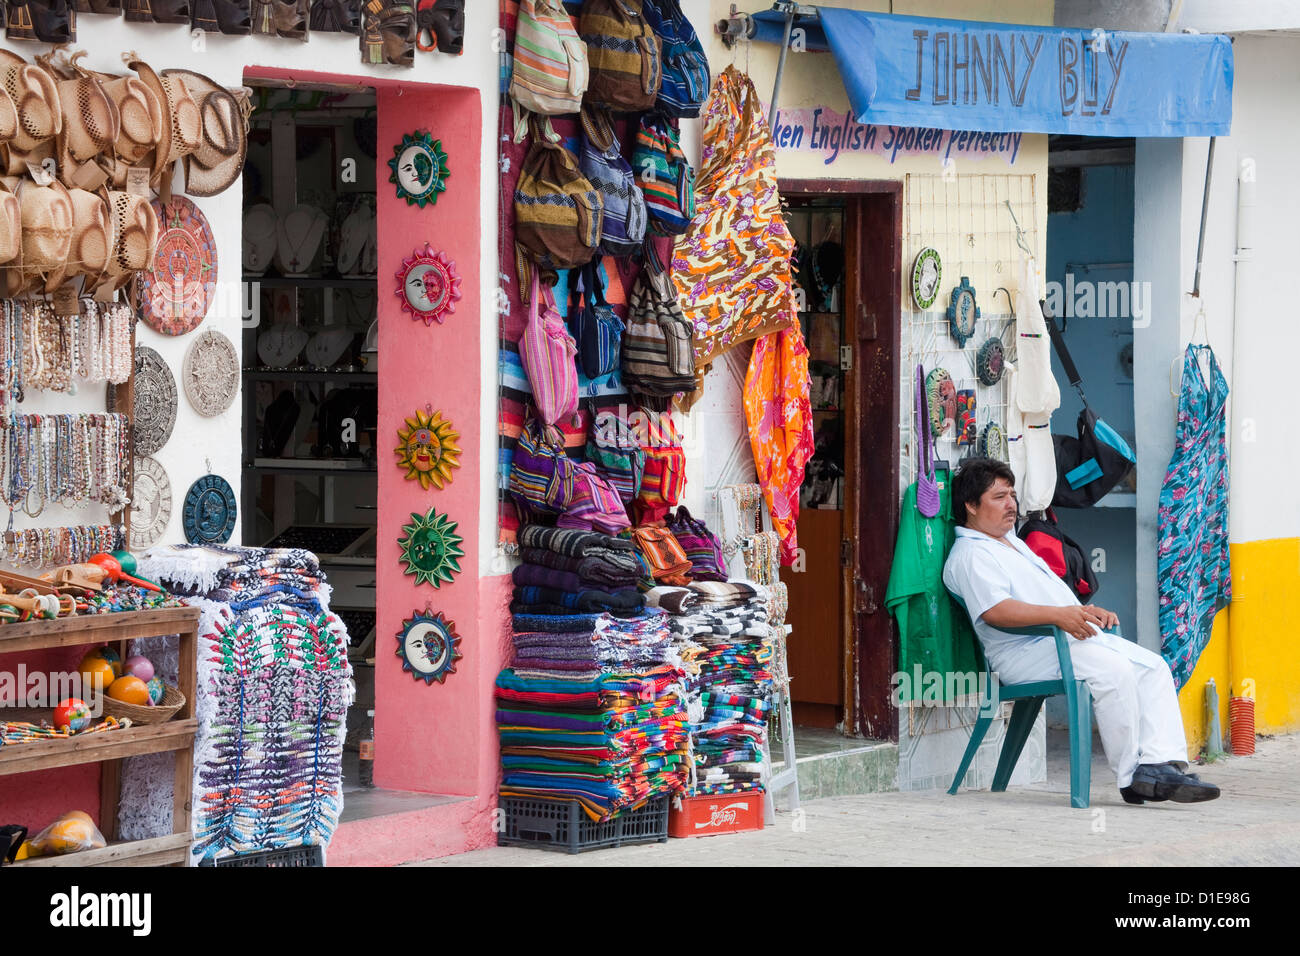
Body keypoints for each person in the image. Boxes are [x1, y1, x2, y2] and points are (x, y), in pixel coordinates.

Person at [942, 458, 1219, 805]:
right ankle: (1133, 776)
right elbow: (996, 611)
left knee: (1153, 668)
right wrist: (1060, 616)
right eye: (999, 497)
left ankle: (1159, 764)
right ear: (970, 505)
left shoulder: (1010, 541)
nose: (1011, 504)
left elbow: (1043, 596)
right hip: (1025, 654)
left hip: (1059, 642)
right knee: (1113, 670)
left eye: (1012, 494)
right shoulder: (971, 554)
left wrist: (1084, 612)